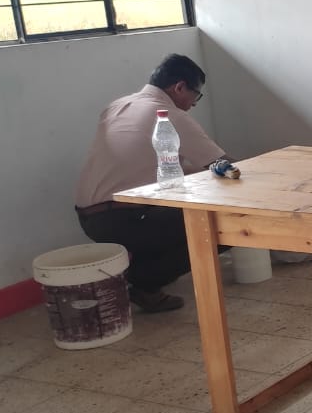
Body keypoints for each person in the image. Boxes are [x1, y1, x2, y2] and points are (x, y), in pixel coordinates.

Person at [75, 54, 227, 313]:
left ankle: (144, 272)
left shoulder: (117, 106)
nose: (193, 104)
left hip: (91, 217)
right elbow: (223, 166)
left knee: (180, 205)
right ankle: (144, 284)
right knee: (222, 222)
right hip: (124, 217)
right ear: (180, 87)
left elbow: (162, 167)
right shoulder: (169, 115)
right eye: (196, 95)